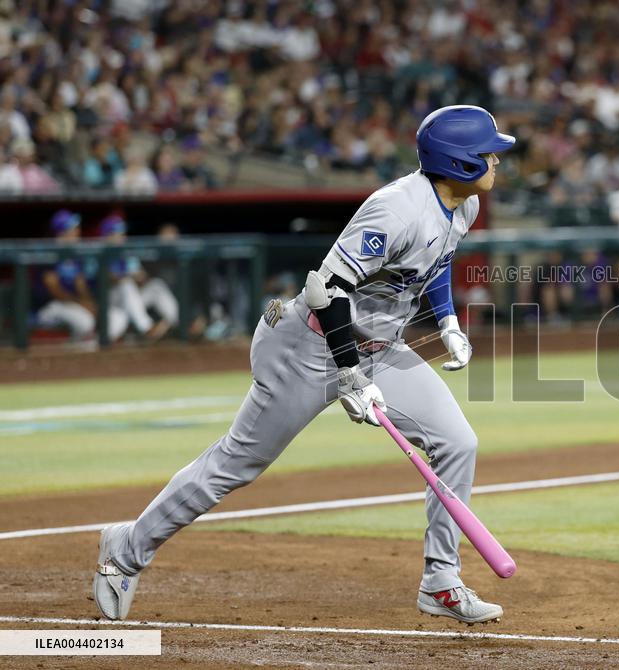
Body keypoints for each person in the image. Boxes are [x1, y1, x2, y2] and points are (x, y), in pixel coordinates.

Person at [93, 105, 515, 625]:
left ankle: (441, 582)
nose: (498, 160)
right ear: (461, 162)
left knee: (458, 442)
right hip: (310, 345)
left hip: (378, 348)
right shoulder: (396, 210)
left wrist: (447, 321)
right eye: (489, 152)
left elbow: (437, 262)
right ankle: (124, 552)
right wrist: (348, 373)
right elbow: (328, 291)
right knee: (237, 463)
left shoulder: (463, 206)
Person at [35, 210, 128, 341]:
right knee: (85, 322)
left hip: (74, 305)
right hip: (50, 307)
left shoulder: (76, 254)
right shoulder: (49, 254)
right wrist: (81, 304)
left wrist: (90, 304)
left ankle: (92, 350)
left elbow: (81, 285)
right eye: (73, 228)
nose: (77, 232)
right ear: (62, 231)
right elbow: (55, 291)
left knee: (118, 316)